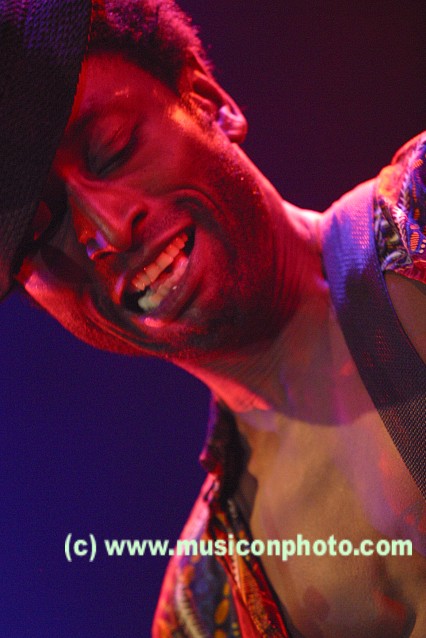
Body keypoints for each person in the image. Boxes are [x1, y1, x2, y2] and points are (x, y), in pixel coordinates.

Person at [1, 1, 425, 636]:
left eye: (113, 149)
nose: (108, 230)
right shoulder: (202, 613)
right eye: (43, 231)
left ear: (209, 103)